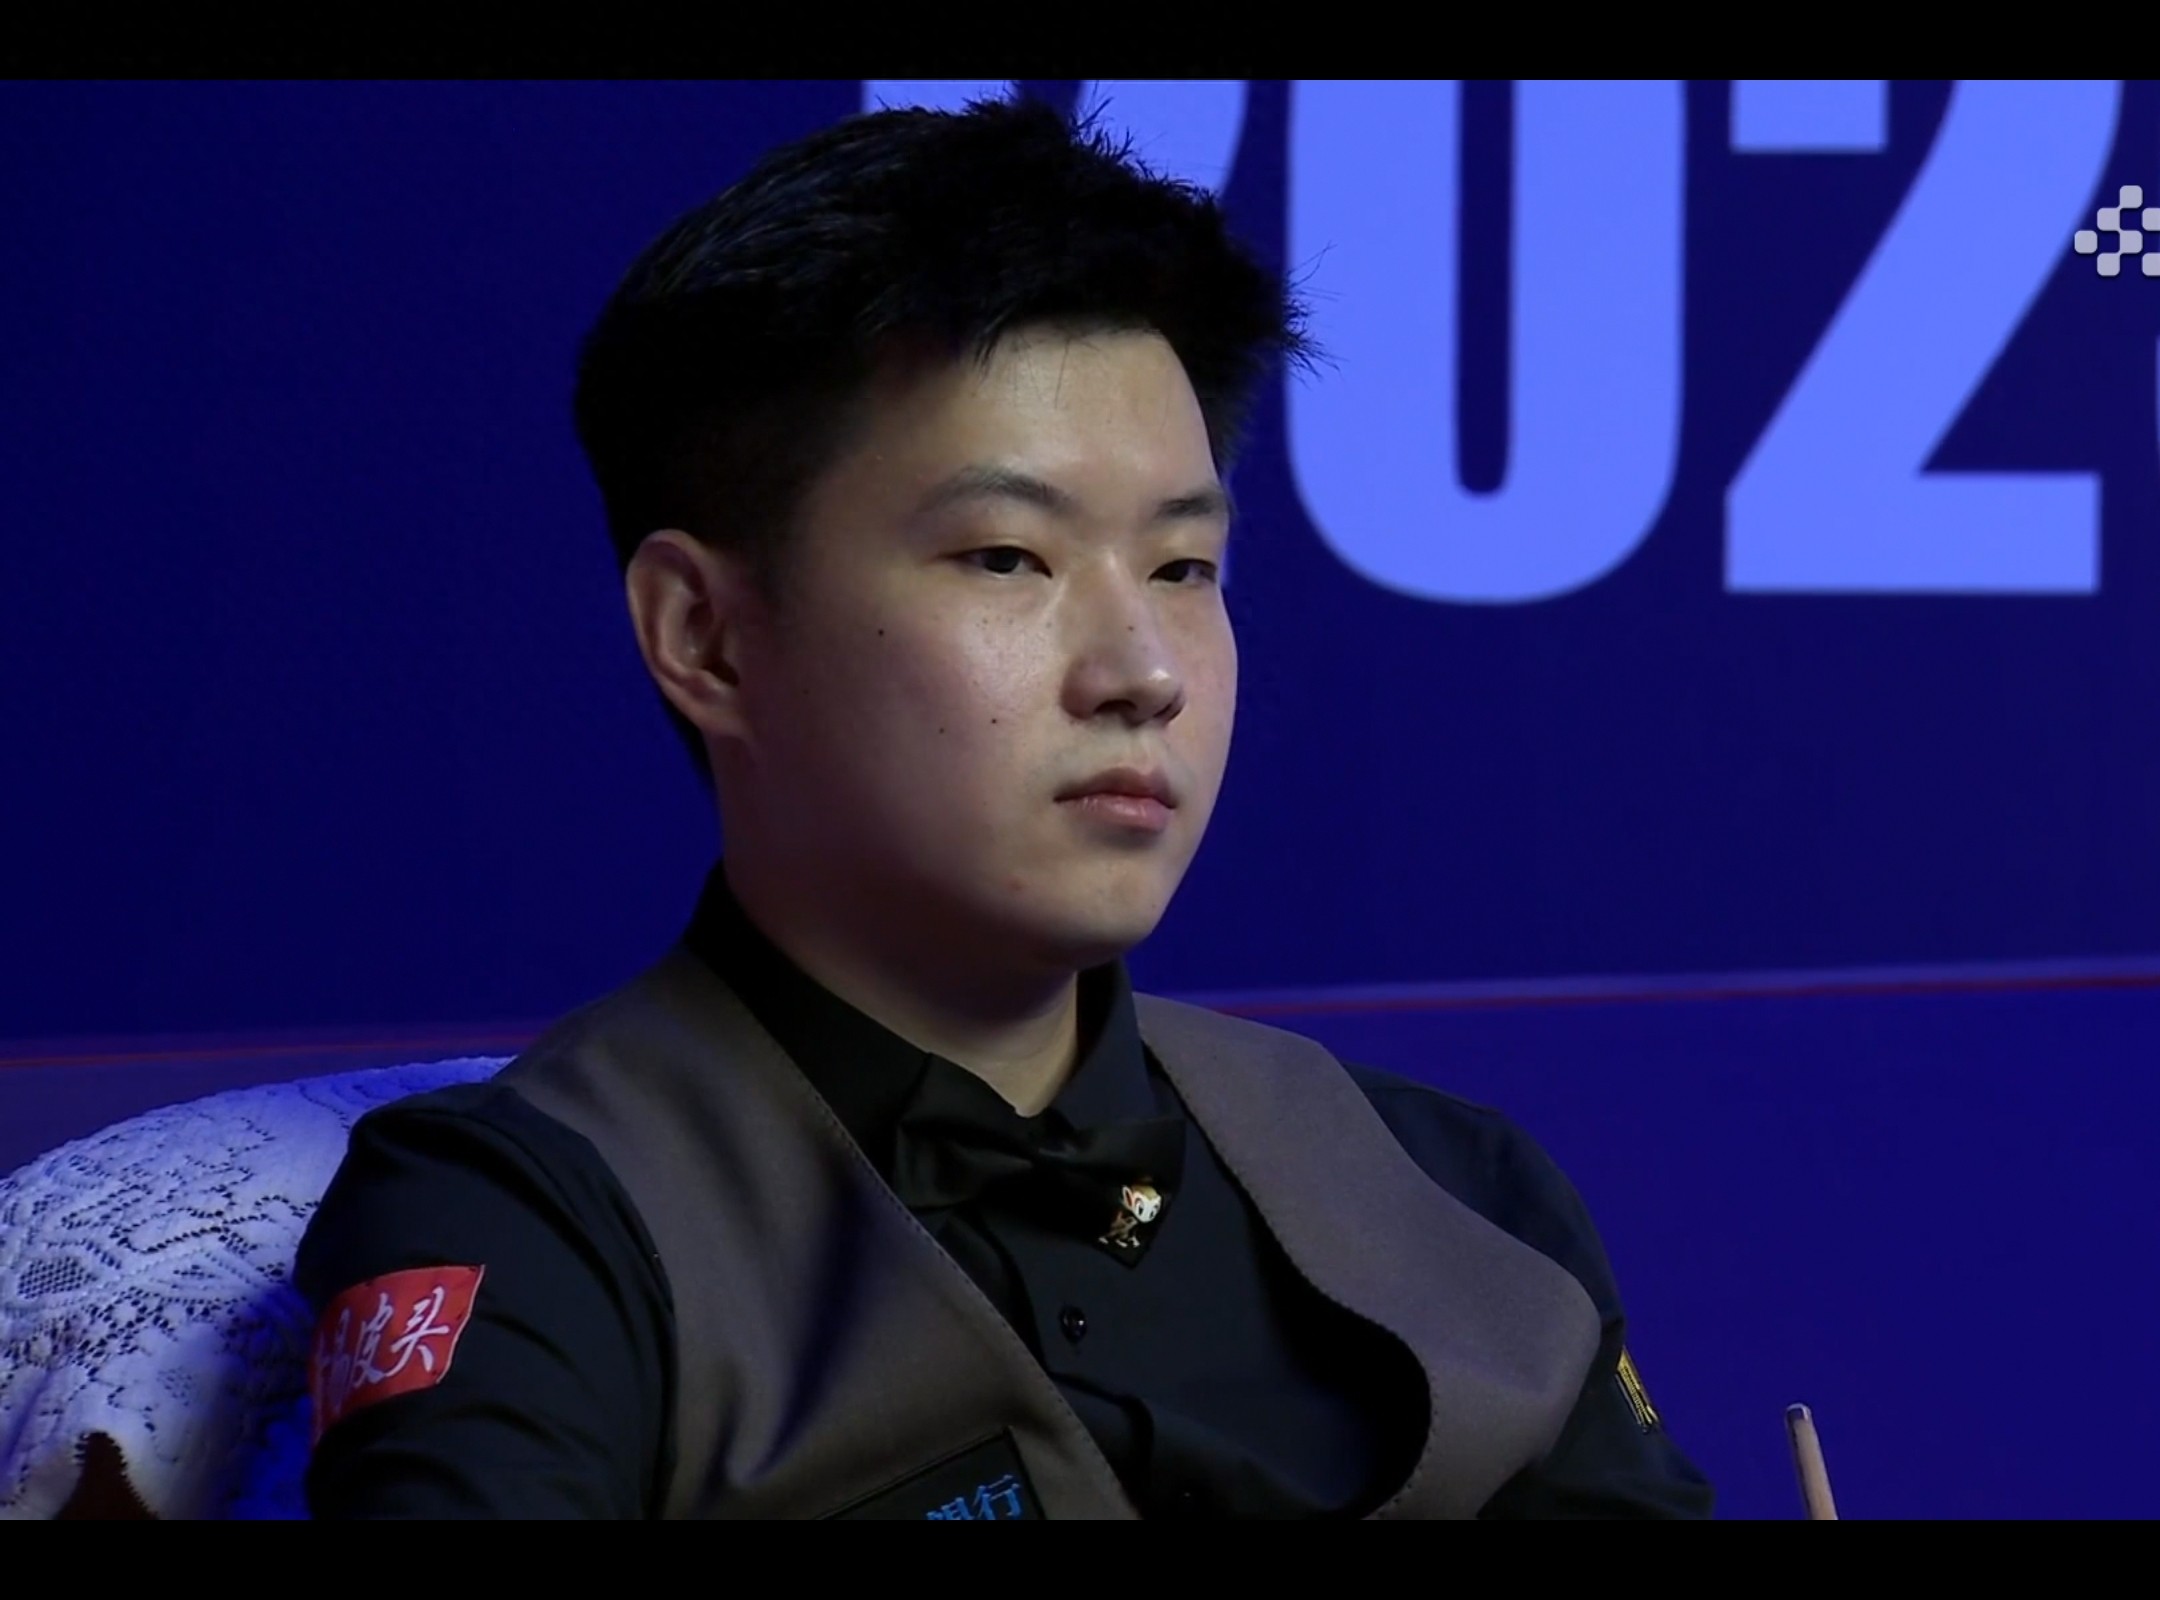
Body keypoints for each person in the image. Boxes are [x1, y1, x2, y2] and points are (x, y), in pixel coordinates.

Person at [294, 92, 1717, 1521]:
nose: (1143, 672)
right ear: (706, 637)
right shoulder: (537, 1218)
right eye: (1008, 559)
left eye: (1184, 569)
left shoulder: (1451, 1185)